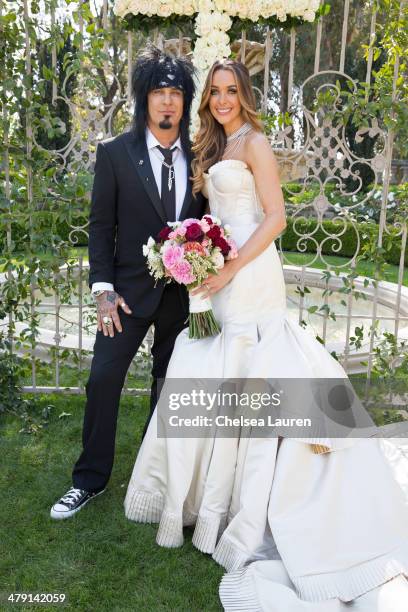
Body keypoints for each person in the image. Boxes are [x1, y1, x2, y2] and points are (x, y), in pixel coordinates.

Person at [124, 59, 408, 610]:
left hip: (251, 275)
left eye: (232, 91)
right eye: (216, 91)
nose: (223, 99)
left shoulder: (254, 142)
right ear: (206, 98)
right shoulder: (214, 147)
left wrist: (229, 267)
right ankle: (208, 502)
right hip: (222, 277)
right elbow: (213, 218)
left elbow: (275, 218)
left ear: (244, 95)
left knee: (256, 371)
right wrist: (195, 253)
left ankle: (267, 487)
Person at [50, 45, 206, 520]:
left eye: (176, 92)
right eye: (159, 92)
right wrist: (102, 290)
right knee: (102, 380)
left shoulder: (201, 158)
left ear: (185, 101)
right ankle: (89, 480)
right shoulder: (116, 154)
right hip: (125, 297)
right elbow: (101, 227)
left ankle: (149, 473)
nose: (167, 102)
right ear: (144, 100)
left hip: (181, 298)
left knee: (168, 387)